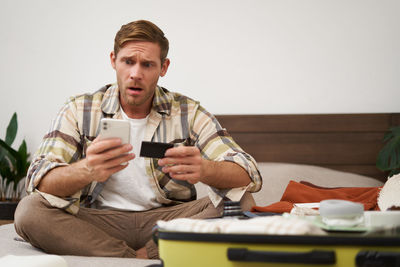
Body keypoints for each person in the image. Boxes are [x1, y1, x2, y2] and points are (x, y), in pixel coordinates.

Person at [14, 20, 262, 259]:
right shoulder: (80, 109)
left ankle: (148, 252)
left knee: (243, 202)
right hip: (98, 221)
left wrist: (205, 169)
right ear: (113, 61)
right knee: (29, 211)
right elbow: (39, 179)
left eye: (147, 64)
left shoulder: (188, 112)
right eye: (128, 61)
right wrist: (87, 170)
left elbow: (247, 172)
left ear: (163, 68)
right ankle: (132, 257)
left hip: (169, 221)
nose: (135, 73)